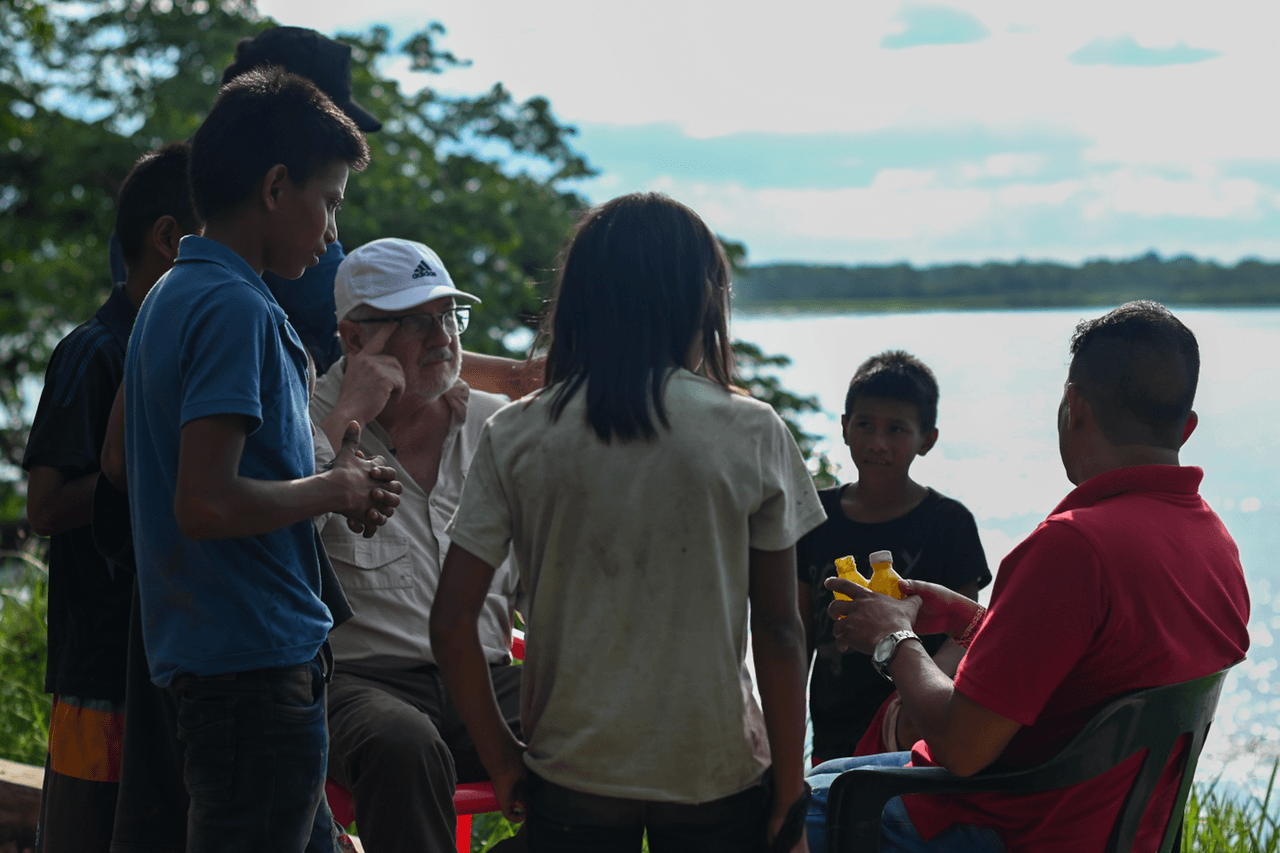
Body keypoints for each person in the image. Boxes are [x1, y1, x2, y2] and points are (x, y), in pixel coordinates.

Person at [432, 192, 826, 853]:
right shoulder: (752, 429)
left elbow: (450, 622)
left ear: (582, 300)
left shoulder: (518, 432)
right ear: (703, 300)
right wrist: (790, 791)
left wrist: (503, 758)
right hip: (713, 768)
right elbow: (782, 630)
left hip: (574, 771)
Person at [804, 301, 1251, 853]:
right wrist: (973, 621)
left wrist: (894, 637)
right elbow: (1092, 665)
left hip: (1017, 829)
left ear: (1074, 407)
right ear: (1185, 427)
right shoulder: (1215, 542)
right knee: (831, 775)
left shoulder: (1075, 547)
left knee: (780, 811)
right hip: (1123, 828)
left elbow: (962, 748)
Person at [123, 67, 401, 853]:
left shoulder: (174, 293)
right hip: (251, 663)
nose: (333, 233)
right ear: (277, 187)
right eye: (331, 200)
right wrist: (336, 489)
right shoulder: (233, 307)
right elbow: (204, 503)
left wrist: (338, 472)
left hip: (228, 661)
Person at [311, 237, 524, 853]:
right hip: (360, 683)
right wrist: (346, 417)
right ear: (355, 341)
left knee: (600, 718)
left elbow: (545, 577)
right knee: (400, 742)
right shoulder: (303, 419)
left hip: (483, 675)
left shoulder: (496, 425)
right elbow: (265, 544)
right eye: (416, 321)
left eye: (449, 317)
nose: (443, 338)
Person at [21, 142, 202, 853]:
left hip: (165, 652)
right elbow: (43, 506)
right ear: (167, 239)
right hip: (100, 659)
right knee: (84, 831)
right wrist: (153, 465)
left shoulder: (176, 342)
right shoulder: (95, 350)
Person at [796, 351, 990, 763]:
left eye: (897, 429)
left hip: (913, 732)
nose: (877, 443)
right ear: (845, 428)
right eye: (864, 424)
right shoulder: (813, 517)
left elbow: (967, 631)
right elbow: (797, 639)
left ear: (927, 440)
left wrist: (909, 693)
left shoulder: (949, 523)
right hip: (831, 734)